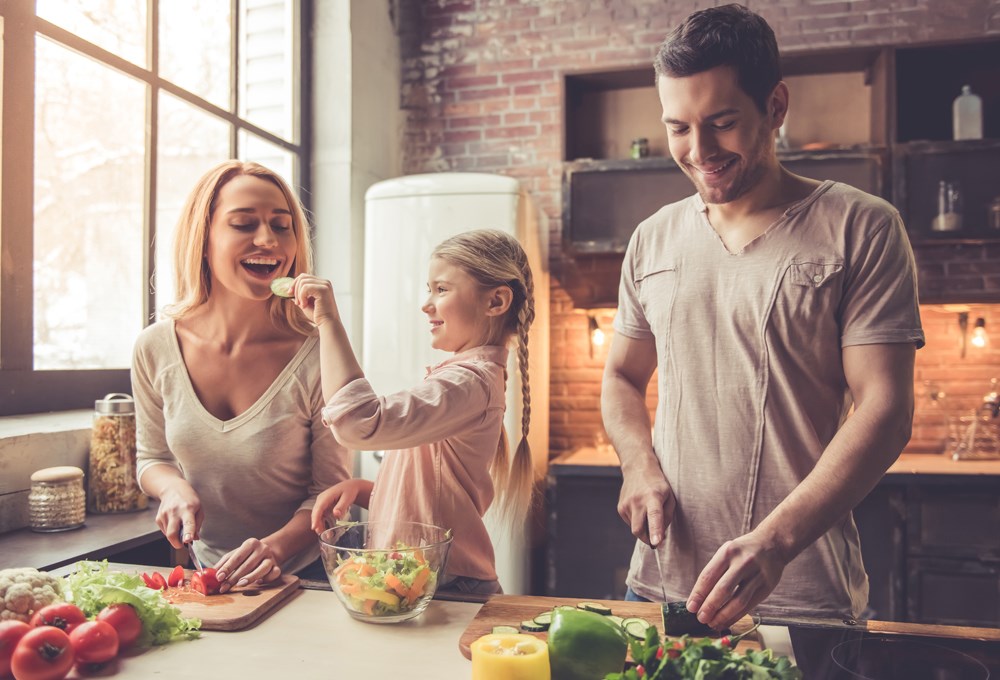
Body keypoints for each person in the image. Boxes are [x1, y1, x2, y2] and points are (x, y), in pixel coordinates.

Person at [601, 3, 924, 628]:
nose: (700, 151)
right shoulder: (652, 239)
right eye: (678, 128)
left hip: (801, 596)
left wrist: (775, 542)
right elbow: (620, 376)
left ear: (775, 107)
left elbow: (886, 410)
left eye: (722, 123)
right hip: (664, 582)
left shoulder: (861, 226)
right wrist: (637, 464)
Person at [133, 160, 352, 593]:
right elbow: (151, 458)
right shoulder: (154, 348)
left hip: (310, 579)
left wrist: (274, 549)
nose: (269, 240)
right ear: (204, 239)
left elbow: (332, 493)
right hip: (210, 576)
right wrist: (173, 488)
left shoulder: (317, 354)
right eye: (244, 223)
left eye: (282, 225)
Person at [292, 228, 535, 595]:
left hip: (447, 587)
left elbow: (358, 423)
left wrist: (328, 322)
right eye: (429, 289)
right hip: (429, 582)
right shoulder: (467, 380)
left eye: (442, 289)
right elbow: (432, 496)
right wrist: (364, 491)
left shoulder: (469, 382)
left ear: (496, 302)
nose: (427, 304)